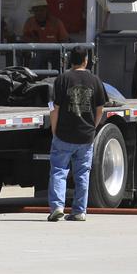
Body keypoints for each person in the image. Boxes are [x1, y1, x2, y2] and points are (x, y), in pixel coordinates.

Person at [47, 47, 106, 222]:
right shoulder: (95, 80)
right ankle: (80, 210)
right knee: (82, 173)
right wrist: (92, 127)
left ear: (69, 61)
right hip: (86, 136)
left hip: (64, 134)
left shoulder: (62, 79)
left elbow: (54, 108)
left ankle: (57, 207)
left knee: (58, 171)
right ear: (86, 60)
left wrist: (54, 130)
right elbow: (100, 109)